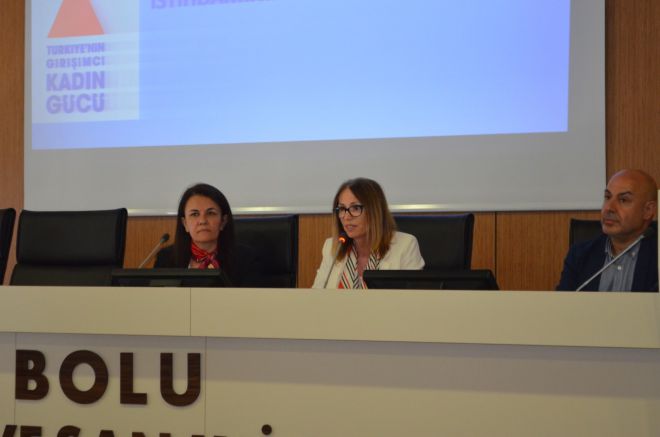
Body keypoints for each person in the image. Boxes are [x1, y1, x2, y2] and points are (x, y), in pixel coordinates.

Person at [312, 177, 425, 289]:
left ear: (374, 211)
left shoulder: (405, 245)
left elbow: (412, 298)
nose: (346, 217)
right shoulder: (333, 247)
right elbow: (316, 295)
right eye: (342, 209)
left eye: (355, 208)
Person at [556, 169, 658, 292]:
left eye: (623, 200)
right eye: (608, 197)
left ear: (648, 210)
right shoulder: (580, 255)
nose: (609, 208)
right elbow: (563, 303)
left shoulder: (657, 257)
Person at [154, 183, 261, 286]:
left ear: (223, 221)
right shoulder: (166, 259)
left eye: (210, 213)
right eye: (194, 214)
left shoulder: (246, 259)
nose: (202, 221)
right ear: (185, 223)